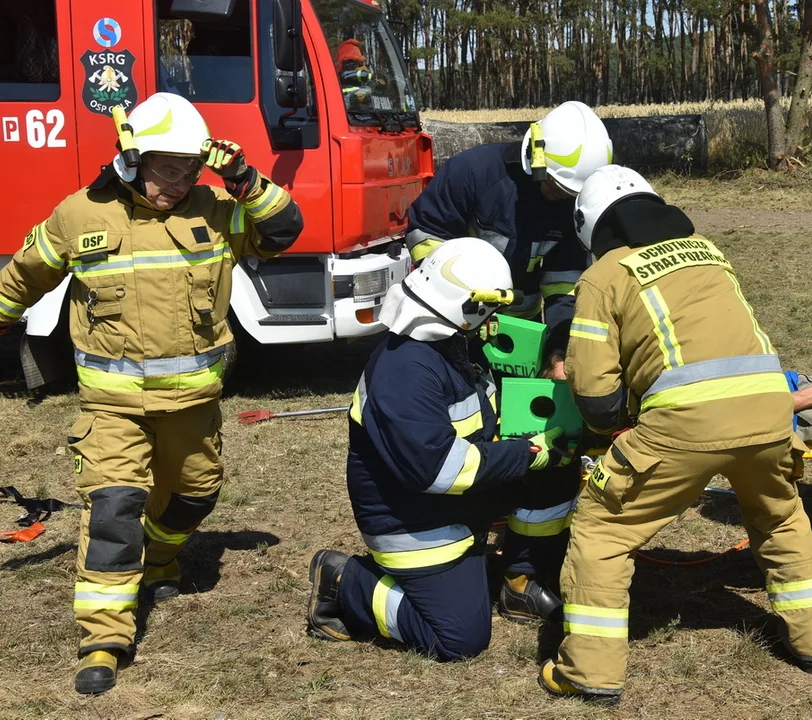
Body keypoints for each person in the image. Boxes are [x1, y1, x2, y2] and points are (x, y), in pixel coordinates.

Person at [0, 93, 302, 694]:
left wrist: (239, 175)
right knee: (114, 510)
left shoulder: (217, 208)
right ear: (131, 157)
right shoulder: (79, 215)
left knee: (195, 496)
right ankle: (105, 638)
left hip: (193, 406)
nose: (180, 181)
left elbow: (285, 229)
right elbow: (20, 280)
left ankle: (161, 555)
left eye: (190, 168)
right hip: (112, 408)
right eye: (168, 168)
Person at [538, 166, 812, 704]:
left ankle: (590, 671)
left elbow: (597, 394)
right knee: (780, 514)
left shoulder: (604, 274)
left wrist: (614, 427)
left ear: (592, 226)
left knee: (602, 530)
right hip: (769, 409)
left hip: (684, 421)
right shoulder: (707, 249)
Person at [305, 238, 580, 661]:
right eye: (487, 309)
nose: (493, 319)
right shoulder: (404, 371)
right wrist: (524, 454)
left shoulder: (452, 344)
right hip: (416, 522)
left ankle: (521, 582)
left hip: (459, 505)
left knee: (558, 469)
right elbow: (438, 470)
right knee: (458, 639)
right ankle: (346, 581)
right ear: (465, 307)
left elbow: (480, 421)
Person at [404, 100, 613, 376]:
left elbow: (564, 283)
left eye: (569, 192)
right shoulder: (473, 173)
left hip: (517, 334)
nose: (561, 196)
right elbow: (426, 232)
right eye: (554, 184)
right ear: (535, 157)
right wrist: (455, 300)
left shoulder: (569, 207)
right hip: (452, 323)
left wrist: (559, 349)